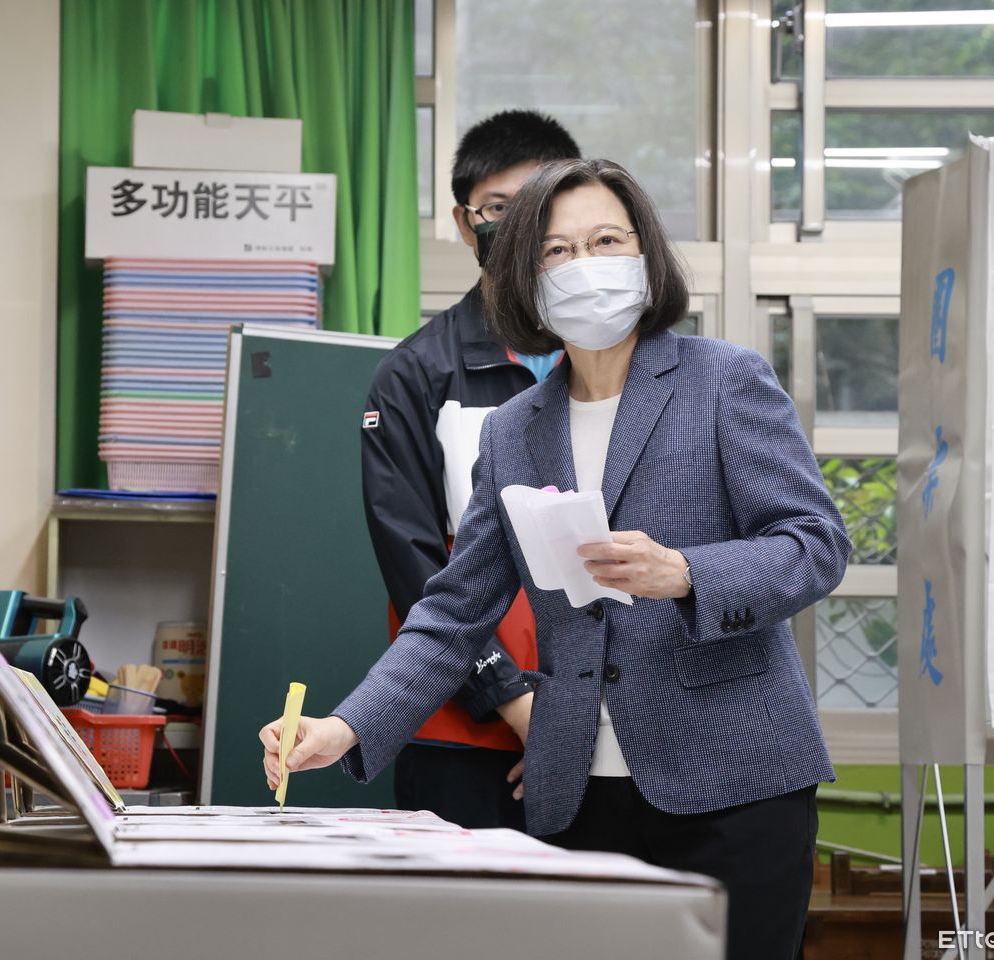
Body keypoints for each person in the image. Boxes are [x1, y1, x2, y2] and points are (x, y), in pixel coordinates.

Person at [262, 158, 851, 960]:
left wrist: (686, 574)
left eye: (606, 241)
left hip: (735, 785)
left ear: (645, 253)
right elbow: (452, 615)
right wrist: (345, 726)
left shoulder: (723, 381)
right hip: (575, 791)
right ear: (526, 279)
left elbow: (815, 545)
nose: (586, 266)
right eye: (557, 251)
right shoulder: (514, 429)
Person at [360, 110, 580, 831]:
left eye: (540, 205)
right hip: (462, 731)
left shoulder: (622, 362)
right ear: (464, 223)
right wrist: (517, 704)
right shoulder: (414, 375)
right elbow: (415, 563)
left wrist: (582, 715)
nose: (521, 228)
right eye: (498, 208)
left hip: (609, 726)